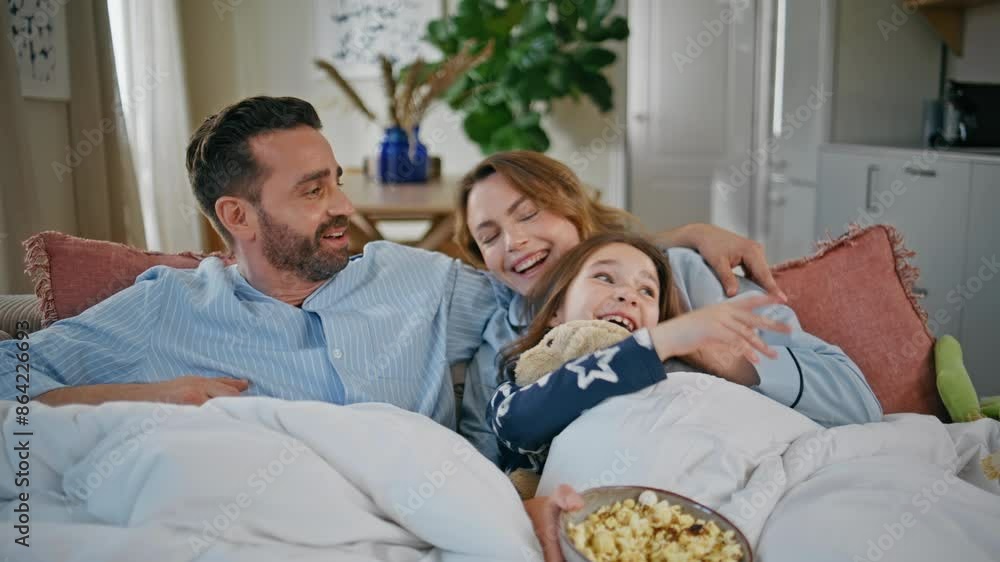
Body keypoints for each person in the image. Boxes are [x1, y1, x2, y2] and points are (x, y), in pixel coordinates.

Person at [0, 97, 766, 425]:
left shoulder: (420, 277)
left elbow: (547, 280)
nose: (342, 204)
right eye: (311, 190)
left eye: (336, 179)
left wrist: (676, 239)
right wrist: (143, 397)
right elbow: (11, 386)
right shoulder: (165, 305)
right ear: (238, 217)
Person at [454, 151, 882, 468]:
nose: (513, 242)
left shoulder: (685, 273)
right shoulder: (500, 346)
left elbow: (858, 405)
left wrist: (719, 355)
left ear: (572, 210)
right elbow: (485, 462)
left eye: (528, 214)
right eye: (489, 237)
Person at [488, 232, 798, 474]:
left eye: (647, 291)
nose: (628, 295)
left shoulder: (678, 376)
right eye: (604, 278)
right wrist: (663, 340)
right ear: (556, 308)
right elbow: (518, 423)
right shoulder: (519, 388)